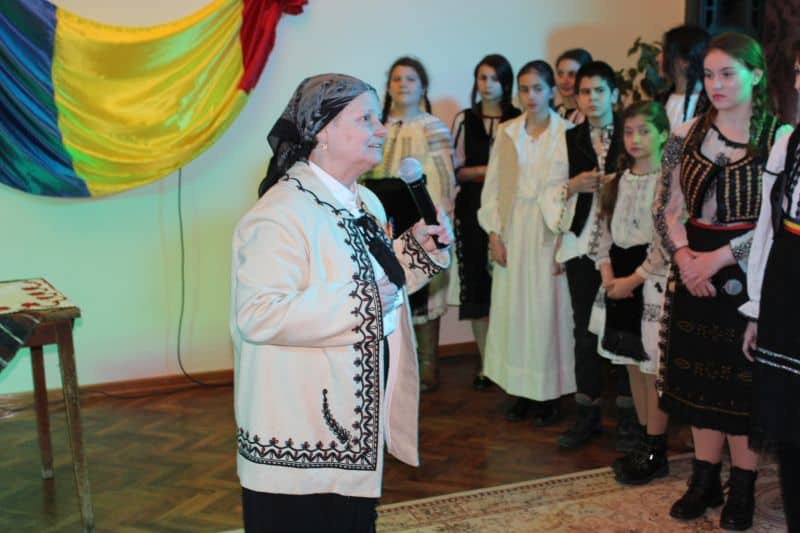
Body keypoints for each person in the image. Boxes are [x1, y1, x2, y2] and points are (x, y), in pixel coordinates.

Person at [231, 73, 452, 532]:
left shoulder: (364, 200)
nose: (381, 129)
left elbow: (372, 280)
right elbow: (259, 313)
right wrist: (361, 301)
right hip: (299, 432)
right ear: (322, 131)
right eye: (365, 118)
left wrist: (416, 251)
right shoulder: (279, 214)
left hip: (352, 422)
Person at [654, 32, 792, 530]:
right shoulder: (685, 133)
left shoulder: (780, 138)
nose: (716, 84)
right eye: (709, 74)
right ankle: (704, 478)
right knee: (698, 380)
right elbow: (665, 207)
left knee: (741, 385)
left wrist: (718, 260)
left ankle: (744, 488)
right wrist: (685, 257)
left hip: (750, 276)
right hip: (692, 269)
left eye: (728, 74)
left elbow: (778, 225)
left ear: (755, 74)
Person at [542, 60, 636, 451]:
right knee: (584, 331)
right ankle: (587, 414)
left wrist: (620, 182)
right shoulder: (569, 138)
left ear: (614, 94)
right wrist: (573, 185)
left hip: (625, 245)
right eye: (585, 92)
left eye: (599, 91)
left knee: (625, 330)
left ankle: (631, 418)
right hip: (582, 246)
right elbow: (550, 191)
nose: (592, 98)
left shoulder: (632, 132)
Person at [477, 60, 575, 425]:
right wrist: (494, 234)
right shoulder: (508, 133)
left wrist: (565, 243)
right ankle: (519, 390)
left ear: (551, 91)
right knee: (513, 312)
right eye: (524, 89)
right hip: (514, 230)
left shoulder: (567, 133)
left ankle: (548, 393)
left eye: (537, 88)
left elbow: (572, 195)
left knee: (547, 313)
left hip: (549, 231)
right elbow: (493, 189)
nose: (530, 96)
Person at [589, 101, 671, 484]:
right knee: (633, 366)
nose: (635, 139)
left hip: (649, 283)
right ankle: (642, 439)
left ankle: (656, 447)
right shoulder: (615, 182)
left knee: (652, 370)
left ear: (662, 134)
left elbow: (665, 244)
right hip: (618, 280)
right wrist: (609, 278)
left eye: (644, 131)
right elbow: (601, 236)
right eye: (628, 131)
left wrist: (632, 281)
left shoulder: (668, 183)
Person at [367, 56, 457, 392]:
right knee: (384, 289)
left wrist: (438, 219)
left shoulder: (432, 127)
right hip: (381, 221)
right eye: (396, 79)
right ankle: (390, 367)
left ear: (422, 87)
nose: (403, 84)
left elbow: (445, 179)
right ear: (388, 87)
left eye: (410, 79)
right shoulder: (375, 126)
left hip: (418, 218)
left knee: (422, 294)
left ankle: (427, 367)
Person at [740, 43, 800, 533]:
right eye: (799, 72)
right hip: (786, 286)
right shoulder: (789, 144)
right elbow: (767, 227)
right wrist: (757, 308)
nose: (799, 83)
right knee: (789, 424)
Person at [451, 54, 521, 390]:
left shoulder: (519, 119)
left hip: (510, 211)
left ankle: (509, 362)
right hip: (471, 209)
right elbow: (456, 170)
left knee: (509, 286)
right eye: (482, 77)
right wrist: (489, 171)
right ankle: (485, 364)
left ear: (506, 82)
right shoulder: (465, 119)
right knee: (478, 289)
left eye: (494, 78)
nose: (487, 84)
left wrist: (490, 174)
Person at [656, 25, 710, 130]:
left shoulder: (709, 107)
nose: (658, 58)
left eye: (664, 52)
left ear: (685, 61)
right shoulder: (659, 101)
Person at [554, 48, 593, 124]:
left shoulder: (595, 116)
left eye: (572, 74)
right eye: (560, 74)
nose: (564, 81)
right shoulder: (553, 114)